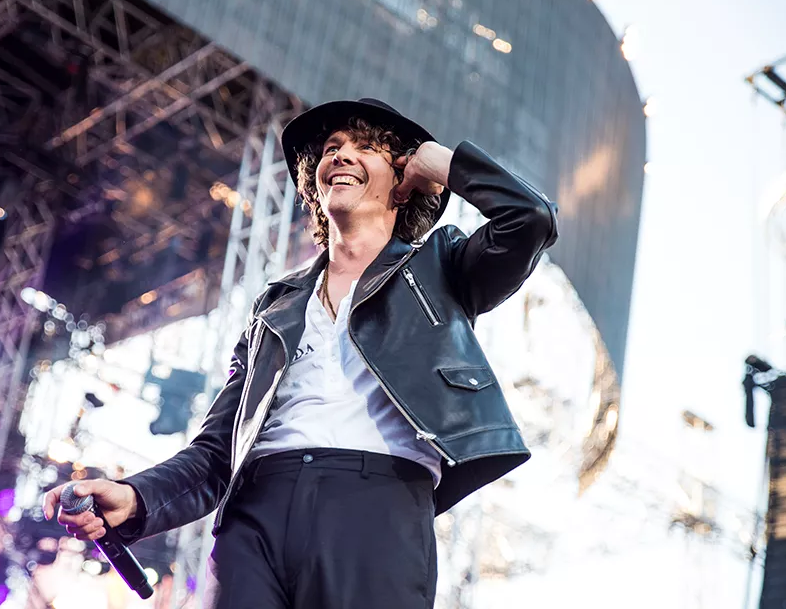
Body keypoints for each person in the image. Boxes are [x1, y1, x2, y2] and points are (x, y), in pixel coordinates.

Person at [44, 98, 558, 608]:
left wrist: (438, 161)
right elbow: (218, 451)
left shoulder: (441, 268)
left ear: (403, 181)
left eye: (367, 148)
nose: (341, 155)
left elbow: (529, 217)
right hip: (254, 516)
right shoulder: (276, 307)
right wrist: (137, 496)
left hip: (377, 511)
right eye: (332, 148)